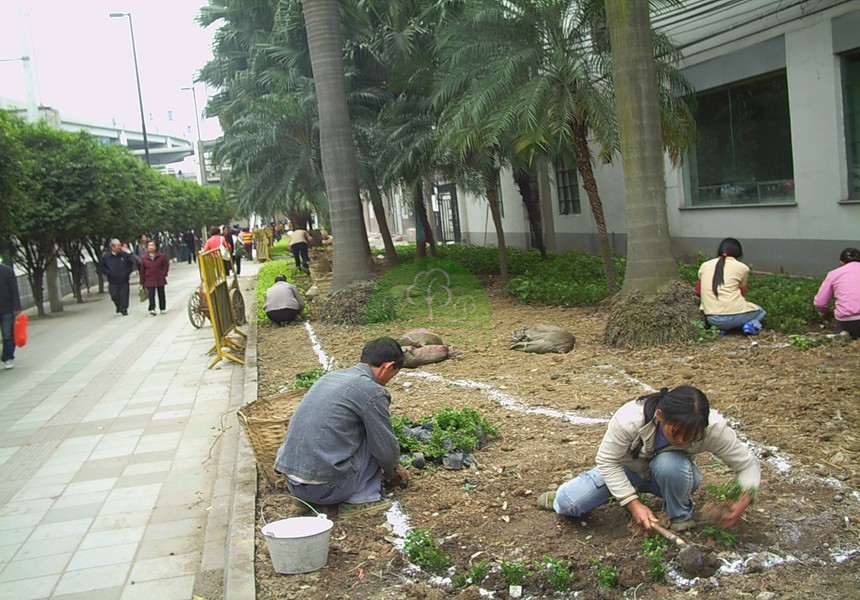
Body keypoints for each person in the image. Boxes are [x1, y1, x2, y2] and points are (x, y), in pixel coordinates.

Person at [538, 386, 760, 532]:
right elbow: (607, 461)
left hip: (671, 474)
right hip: (627, 470)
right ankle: (563, 495)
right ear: (660, 416)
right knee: (570, 504)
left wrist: (743, 500)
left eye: (691, 436)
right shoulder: (629, 419)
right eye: (676, 433)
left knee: (670, 464)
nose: (683, 440)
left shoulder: (713, 428)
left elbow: (748, 465)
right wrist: (633, 504)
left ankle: (679, 516)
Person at [275, 337, 410, 516]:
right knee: (373, 434)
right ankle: (361, 499)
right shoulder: (371, 391)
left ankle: (305, 503)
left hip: (294, 485)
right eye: (394, 373)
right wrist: (392, 469)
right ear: (388, 366)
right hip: (328, 489)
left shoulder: (329, 378)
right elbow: (384, 448)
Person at [696, 238, 766, 335]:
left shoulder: (705, 265)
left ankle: (722, 329)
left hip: (712, 318)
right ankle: (750, 325)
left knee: (725, 318)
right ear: (739, 252)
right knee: (761, 311)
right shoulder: (742, 267)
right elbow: (743, 291)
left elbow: (698, 290)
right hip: (735, 316)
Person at [814, 247, 860, 339]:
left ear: (841, 262)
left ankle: (842, 334)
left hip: (847, 320)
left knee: (845, 330)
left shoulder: (834, 274)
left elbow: (820, 303)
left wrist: (825, 312)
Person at [99, 239, 135, 316]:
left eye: (120, 245)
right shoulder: (106, 256)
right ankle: (118, 306)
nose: (119, 247)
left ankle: (124, 309)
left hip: (124, 279)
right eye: (117, 245)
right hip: (113, 280)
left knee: (124, 295)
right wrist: (108, 273)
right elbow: (102, 267)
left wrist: (127, 273)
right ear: (112, 247)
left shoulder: (124, 255)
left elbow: (131, 264)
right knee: (114, 295)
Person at [0, 262, 22, 370]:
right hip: (6, 309)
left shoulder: (7, 271)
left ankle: (8, 357)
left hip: (6, 309)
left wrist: (16, 307)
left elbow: (14, 290)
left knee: (7, 334)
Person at [139, 240, 170, 316]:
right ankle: (152, 308)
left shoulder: (161, 256)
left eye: (152, 245)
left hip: (159, 277)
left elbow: (166, 265)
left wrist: (164, 273)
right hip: (149, 278)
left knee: (161, 293)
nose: (150, 247)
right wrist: (142, 281)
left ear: (156, 247)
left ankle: (162, 308)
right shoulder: (144, 258)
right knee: (151, 294)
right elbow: (142, 270)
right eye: (149, 245)